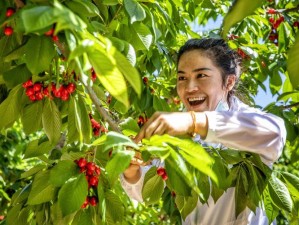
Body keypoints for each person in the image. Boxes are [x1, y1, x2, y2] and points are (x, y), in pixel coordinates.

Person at [120, 38, 286, 225]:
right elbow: (145, 192)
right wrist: (131, 168)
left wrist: (194, 122)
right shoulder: (175, 132)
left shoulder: (243, 119)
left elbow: (275, 134)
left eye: (201, 76)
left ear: (229, 81)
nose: (189, 88)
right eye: (182, 78)